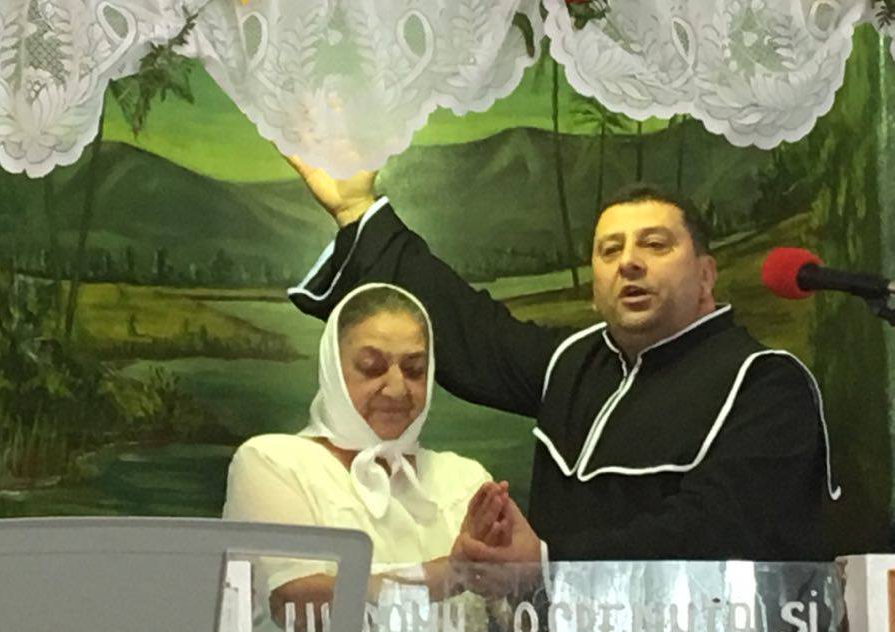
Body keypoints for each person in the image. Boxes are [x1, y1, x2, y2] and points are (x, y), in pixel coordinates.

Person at [284, 158, 839, 564]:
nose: (629, 263)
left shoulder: (765, 382)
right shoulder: (575, 362)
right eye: (610, 250)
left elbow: (722, 529)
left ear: (706, 275)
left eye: (655, 245)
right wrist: (358, 212)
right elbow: (470, 330)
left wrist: (549, 561)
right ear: (595, 285)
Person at [223, 282, 511, 632]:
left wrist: (526, 569)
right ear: (332, 368)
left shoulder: (465, 480)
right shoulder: (273, 462)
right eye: (372, 367)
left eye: (415, 369)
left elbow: (515, 629)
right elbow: (297, 608)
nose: (397, 388)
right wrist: (450, 574)